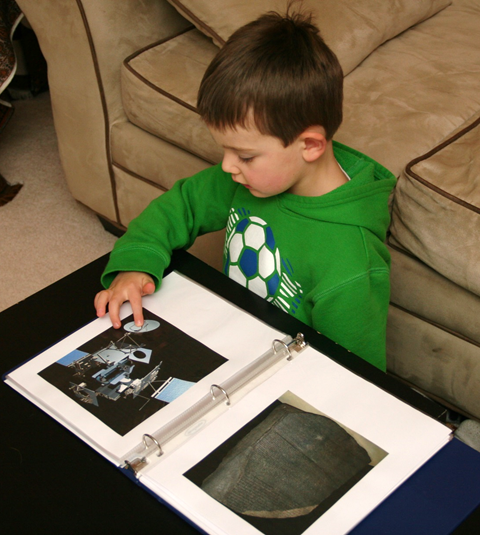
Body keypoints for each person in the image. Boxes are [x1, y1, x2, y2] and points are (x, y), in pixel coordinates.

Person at [94, 8, 396, 371]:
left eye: (245, 155)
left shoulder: (350, 264)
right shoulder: (251, 179)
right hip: (232, 338)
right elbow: (183, 205)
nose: (226, 166)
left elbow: (355, 378)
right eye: (225, 149)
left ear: (311, 145)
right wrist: (135, 264)